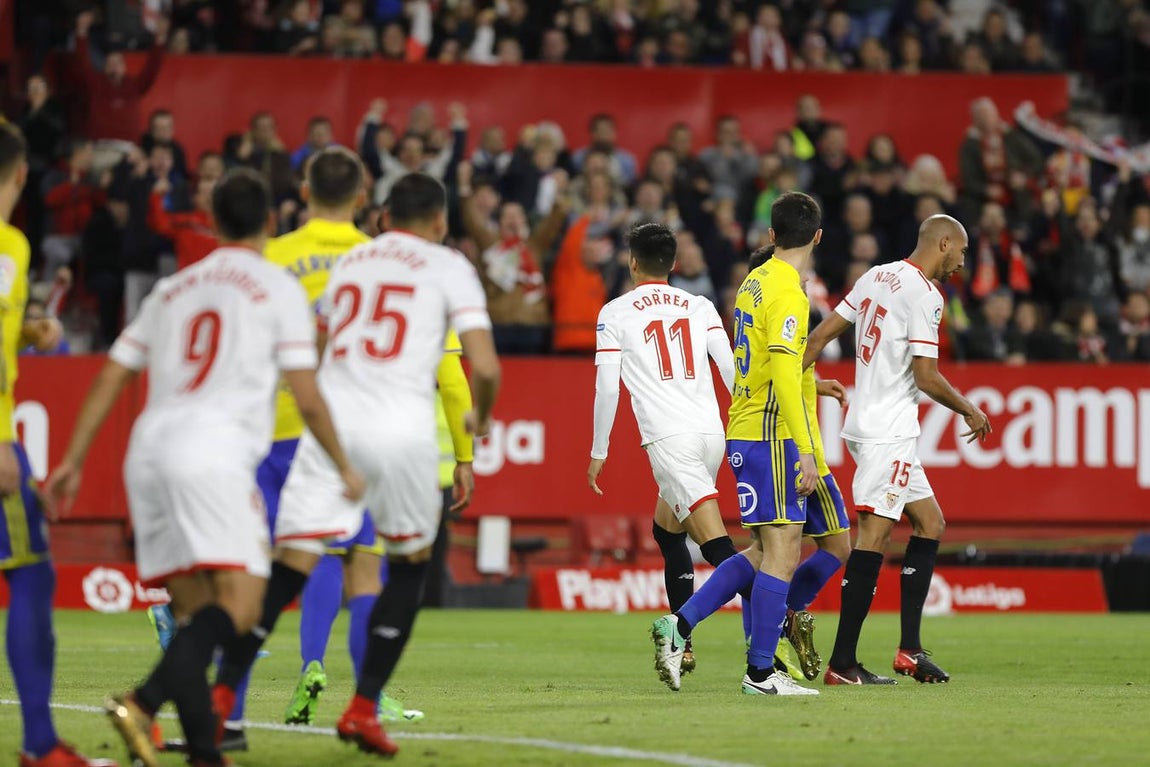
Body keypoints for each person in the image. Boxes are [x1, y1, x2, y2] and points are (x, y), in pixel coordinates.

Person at [44, 168, 362, 767]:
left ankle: (205, 755)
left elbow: (114, 370)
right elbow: (309, 394)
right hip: (213, 458)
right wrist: (344, 464)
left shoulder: (173, 288)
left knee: (193, 618)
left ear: (212, 223)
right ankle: (142, 702)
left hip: (149, 454)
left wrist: (73, 459)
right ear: (271, 222)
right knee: (241, 610)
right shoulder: (277, 289)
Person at [212, 173, 500, 758]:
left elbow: (316, 347)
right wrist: (482, 418)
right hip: (401, 434)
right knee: (408, 565)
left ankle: (219, 707)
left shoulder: (352, 264)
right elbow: (484, 368)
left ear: (386, 214)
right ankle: (364, 707)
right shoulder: (449, 267)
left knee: (290, 566)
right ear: (441, 222)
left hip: (333, 432)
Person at [649, 238, 851, 693]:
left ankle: (703, 627)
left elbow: (770, 363)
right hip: (777, 437)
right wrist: (802, 448)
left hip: (772, 434)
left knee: (795, 550)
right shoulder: (783, 290)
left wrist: (813, 386)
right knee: (777, 553)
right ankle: (758, 666)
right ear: (815, 237)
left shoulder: (752, 287)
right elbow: (776, 369)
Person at [802, 214, 992, 685]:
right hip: (888, 430)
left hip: (873, 423)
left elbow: (823, 334)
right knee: (874, 537)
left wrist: (790, 377)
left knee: (930, 522)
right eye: (961, 253)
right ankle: (843, 663)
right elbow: (926, 376)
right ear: (943, 243)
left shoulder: (876, 275)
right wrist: (968, 408)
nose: (961, 263)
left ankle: (910, 649)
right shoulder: (926, 294)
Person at [0, 123, 111, 767]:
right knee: (33, 575)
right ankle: (42, 747)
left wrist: (24, 331)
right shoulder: (9, 244)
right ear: (19, 177)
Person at [587, 223, 736, 679]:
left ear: (632, 262)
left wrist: (599, 450)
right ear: (673, 264)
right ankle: (683, 646)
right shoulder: (701, 304)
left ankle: (783, 618)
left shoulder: (614, 311)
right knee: (669, 533)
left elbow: (608, 388)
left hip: (671, 441)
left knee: (720, 551)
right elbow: (730, 369)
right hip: (712, 434)